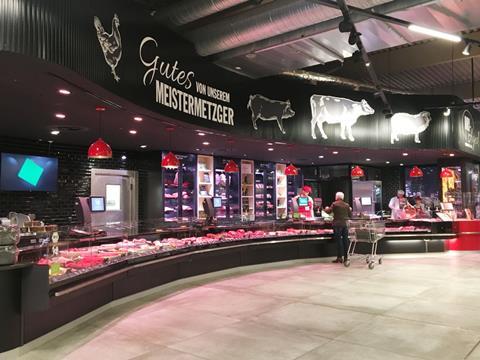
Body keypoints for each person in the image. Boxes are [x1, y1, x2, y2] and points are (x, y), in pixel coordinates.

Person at [326, 192, 352, 263]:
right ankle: (346, 257)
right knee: (345, 240)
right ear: (342, 197)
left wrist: (326, 208)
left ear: (336, 197)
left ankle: (339, 257)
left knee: (339, 241)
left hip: (337, 225)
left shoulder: (334, 204)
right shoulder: (347, 205)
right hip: (345, 225)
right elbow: (350, 215)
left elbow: (328, 211)